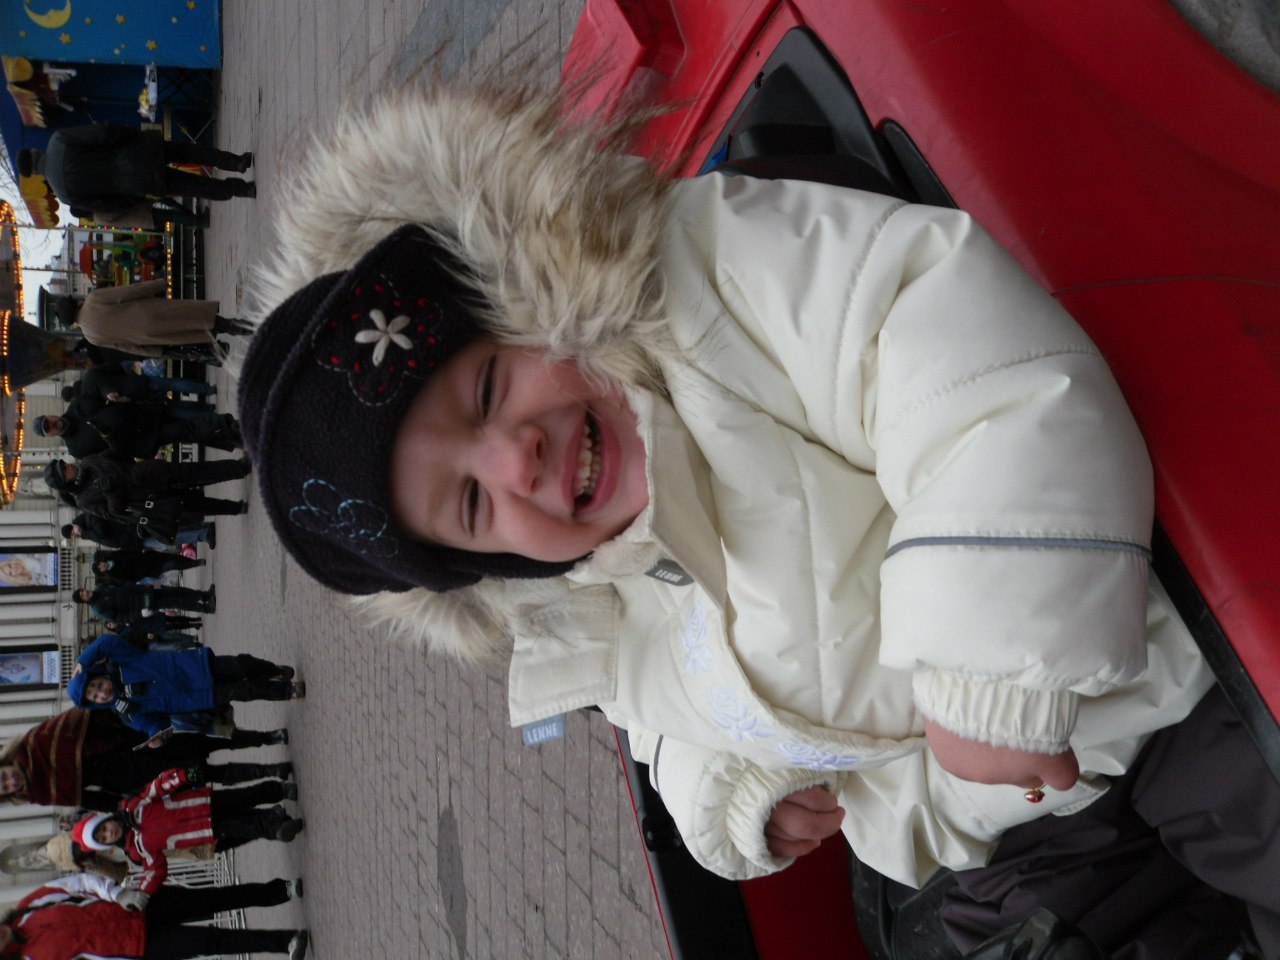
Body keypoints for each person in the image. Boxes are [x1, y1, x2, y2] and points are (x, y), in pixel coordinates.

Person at [234, 77, 1279, 958]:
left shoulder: (713, 288)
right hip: (1008, 821)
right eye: (470, 501)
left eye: (486, 388)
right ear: (488, 565)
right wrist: (730, 804)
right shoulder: (592, 601)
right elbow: (662, 722)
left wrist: (990, 668)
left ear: (522, 305)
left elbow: (961, 371)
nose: (517, 457)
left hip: (1141, 665)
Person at [0, 707, 290, 812]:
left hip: (130, 738)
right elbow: (86, 798)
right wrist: (122, 807)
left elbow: (80, 716)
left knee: (203, 740)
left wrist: (123, 716)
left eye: (3, 777)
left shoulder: (34, 741)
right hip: (125, 774)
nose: (10, 781)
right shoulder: (37, 795)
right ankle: (270, 770)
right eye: (5, 788)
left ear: (5, 764)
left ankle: (266, 737)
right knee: (199, 773)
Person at [72, 766, 304, 892]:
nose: (109, 833)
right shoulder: (137, 850)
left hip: (203, 802)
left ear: (104, 820)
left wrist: (182, 776)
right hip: (203, 832)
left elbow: (158, 786)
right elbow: (156, 870)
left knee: (246, 797)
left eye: (103, 829)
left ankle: (279, 791)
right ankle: (278, 828)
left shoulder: (134, 806)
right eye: (104, 838)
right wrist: (143, 892)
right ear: (108, 844)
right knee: (245, 827)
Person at [0, 870, 308, 960]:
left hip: (137, 905)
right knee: (212, 942)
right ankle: (284, 942)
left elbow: (77, 883)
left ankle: (280, 890)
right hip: (137, 949)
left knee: (213, 899)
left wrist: (117, 893)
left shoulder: (29, 907)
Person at [67, 633, 302, 740]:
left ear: (98, 675)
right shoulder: (126, 713)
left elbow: (106, 641)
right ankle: (286, 691)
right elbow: (155, 724)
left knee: (243, 664)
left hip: (195, 667)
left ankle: (274, 671)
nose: (101, 692)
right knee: (243, 691)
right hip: (197, 697)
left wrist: (83, 660)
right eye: (95, 696)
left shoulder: (121, 661)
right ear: (95, 704)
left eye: (97, 685)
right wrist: (156, 736)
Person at [16, 121, 255, 211]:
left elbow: (106, 205)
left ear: (34, 174)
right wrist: (132, 135)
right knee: (191, 152)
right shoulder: (58, 141)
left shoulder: (64, 194)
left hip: (138, 183)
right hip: (138, 150)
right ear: (34, 152)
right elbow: (104, 132)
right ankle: (237, 162)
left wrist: (134, 197)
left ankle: (243, 190)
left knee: (195, 187)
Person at [46, 457, 248, 533]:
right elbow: (114, 513)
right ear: (65, 482)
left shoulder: (88, 462)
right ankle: (236, 508)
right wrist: (111, 492)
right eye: (64, 470)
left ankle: (238, 468)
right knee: (196, 504)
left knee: (197, 471)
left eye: (63, 464)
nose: (67, 465)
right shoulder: (83, 500)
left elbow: (120, 456)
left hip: (150, 473)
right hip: (152, 500)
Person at [55, 284, 253, 359]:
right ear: (75, 303)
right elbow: (128, 292)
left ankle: (240, 327)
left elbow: (126, 347)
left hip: (151, 336)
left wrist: (155, 352)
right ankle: (242, 327)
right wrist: (159, 284)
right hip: (152, 311)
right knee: (196, 318)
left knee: (193, 330)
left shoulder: (91, 337)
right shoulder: (93, 300)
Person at [78, 362, 215, 403]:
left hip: (137, 397)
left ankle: (205, 409)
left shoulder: (88, 396)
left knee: (171, 403)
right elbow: (116, 367)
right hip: (136, 381)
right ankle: (207, 390)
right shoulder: (91, 373)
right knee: (171, 384)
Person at [74, 583, 215, 621]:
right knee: (176, 602)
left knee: (176, 591)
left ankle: (204, 596)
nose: (85, 593)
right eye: (82, 595)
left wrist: (141, 586)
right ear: (84, 601)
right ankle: (206, 608)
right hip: (145, 605)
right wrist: (140, 614)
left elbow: (123, 585)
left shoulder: (100, 587)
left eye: (83, 591)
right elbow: (121, 618)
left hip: (146, 591)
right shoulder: (98, 609)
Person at [93, 550, 204, 584]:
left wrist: (141, 551)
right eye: (100, 568)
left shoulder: (112, 555)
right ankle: (195, 563)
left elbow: (128, 550)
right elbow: (131, 579)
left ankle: (192, 561)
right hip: (148, 569)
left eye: (100, 564)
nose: (102, 565)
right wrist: (142, 573)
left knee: (172, 557)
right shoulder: (114, 575)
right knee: (173, 565)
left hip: (148, 556)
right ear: (102, 572)